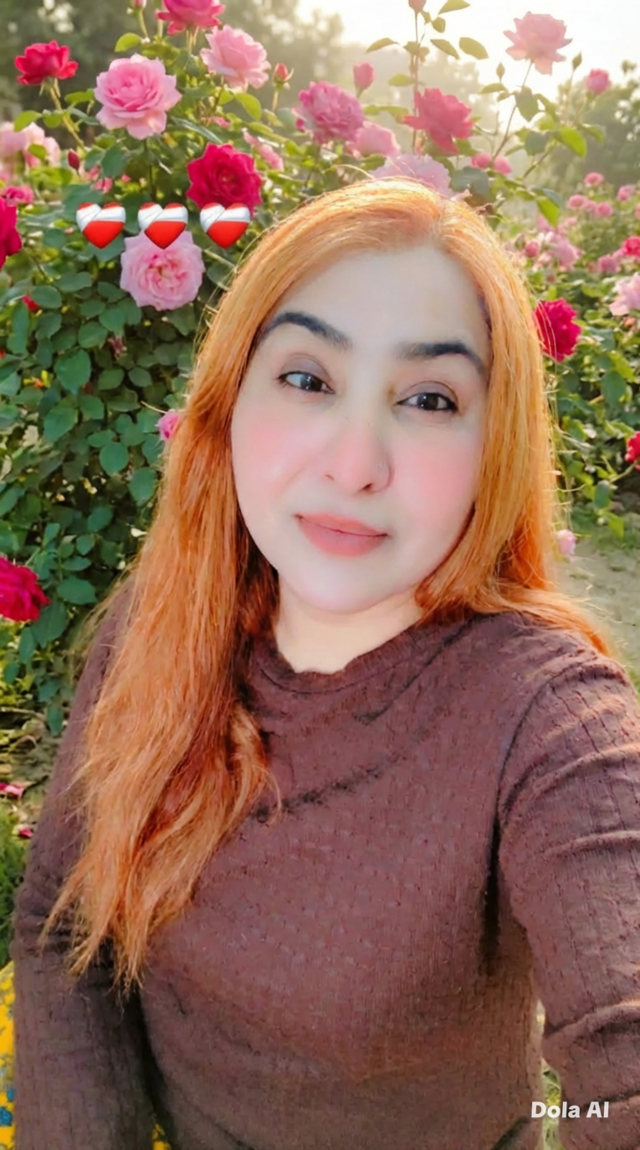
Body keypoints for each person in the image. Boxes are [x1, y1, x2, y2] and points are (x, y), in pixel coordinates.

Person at [10, 177, 640, 1150]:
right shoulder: (163, 624)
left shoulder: (544, 718)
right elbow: (62, 926)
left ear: (494, 445)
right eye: (308, 379)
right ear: (230, 400)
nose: (354, 465)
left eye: (428, 399)